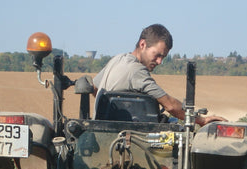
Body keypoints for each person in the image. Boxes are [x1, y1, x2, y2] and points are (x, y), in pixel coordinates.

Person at [93, 24, 226, 126]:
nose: (159, 61)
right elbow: (170, 106)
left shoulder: (118, 59)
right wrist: (201, 120)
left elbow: (94, 88)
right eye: (157, 55)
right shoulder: (137, 71)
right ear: (143, 44)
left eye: (163, 57)